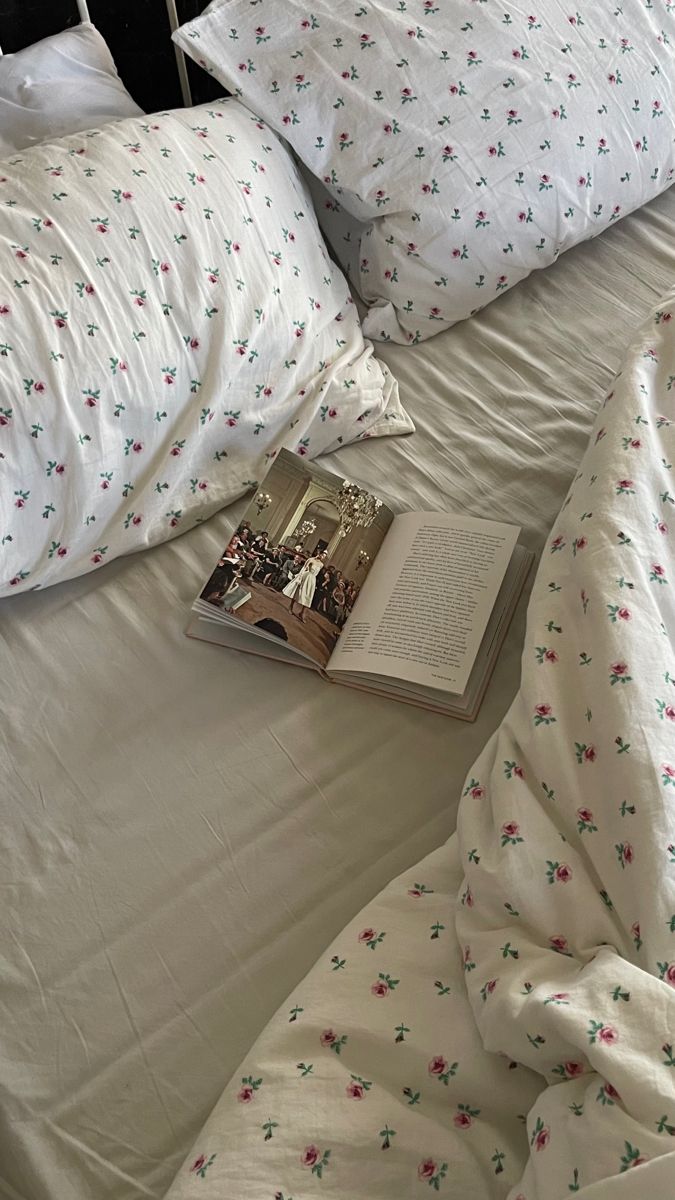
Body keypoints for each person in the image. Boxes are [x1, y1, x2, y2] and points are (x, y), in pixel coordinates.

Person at [283, 550, 327, 622]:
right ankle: (290, 606)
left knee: (308, 596)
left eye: (324, 557)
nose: (322, 557)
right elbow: (304, 569)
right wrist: (300, 578)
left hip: (312, 579)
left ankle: (302, 613)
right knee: (298, 592)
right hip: (306, 576)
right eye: (322, 555)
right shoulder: (311, 559)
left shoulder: (321, 564)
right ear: (319, 554)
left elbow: (317, 574)